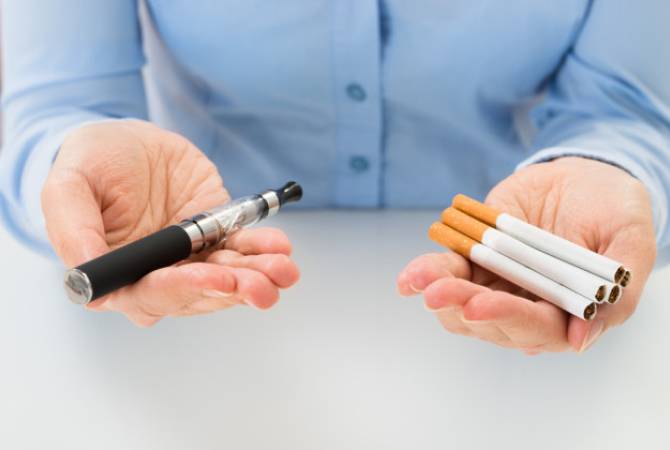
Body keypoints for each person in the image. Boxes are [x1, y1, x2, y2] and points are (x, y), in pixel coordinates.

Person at [1, 1, 668, 354]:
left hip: (520, 280)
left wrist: (613, 171)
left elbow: (623, 107)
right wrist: (67, 161)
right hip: (180, 343)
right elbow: (61, 99)